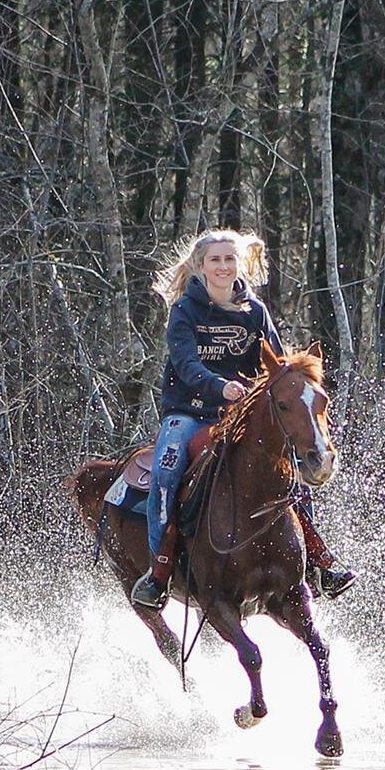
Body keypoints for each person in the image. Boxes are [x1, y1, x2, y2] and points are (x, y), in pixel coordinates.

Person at [131, 229, 356, 609]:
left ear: (240, 265)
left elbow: (279, 367)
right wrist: (221, 387)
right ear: (200, 266)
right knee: (166, 476)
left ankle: (318, 561)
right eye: (215, 260)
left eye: (229, 259)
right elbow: (186, 364)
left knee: (289, 471)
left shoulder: (256, 312)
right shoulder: (184, 311)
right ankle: (160, 573)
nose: (223, 266)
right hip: (189, 413)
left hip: (243, 414)